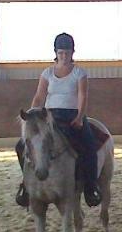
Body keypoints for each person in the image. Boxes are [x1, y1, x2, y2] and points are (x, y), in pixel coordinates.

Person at [15, 33, 102, 208]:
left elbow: (82, 96)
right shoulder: (47, 73)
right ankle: (26, 185)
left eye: (67, 53)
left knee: (89, 146)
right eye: (61, 53)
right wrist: (32, 116)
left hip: (72, 115)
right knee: (21, 146)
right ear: (56, 52)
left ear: (72, 53)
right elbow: (39, 96)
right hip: (49, 116)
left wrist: (79, 117)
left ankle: (90, 187)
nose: (64, 56)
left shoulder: (79, 73)